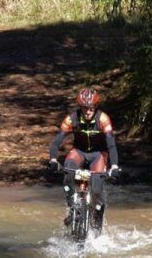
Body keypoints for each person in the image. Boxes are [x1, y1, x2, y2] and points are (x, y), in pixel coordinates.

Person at [49, 88, 120, 227]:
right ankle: (71, 209)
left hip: (98, 154)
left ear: (96, 107)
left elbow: (111, 144)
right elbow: (57, 140)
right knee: (68, 171)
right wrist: (53, 159)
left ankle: (97, 225)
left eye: (91, 108)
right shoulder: (72, 118)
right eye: (84, 108)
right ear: (80, 107)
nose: (88, 111)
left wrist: (115, 166)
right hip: (79, 151)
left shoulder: (103, 119)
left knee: (97, 190)